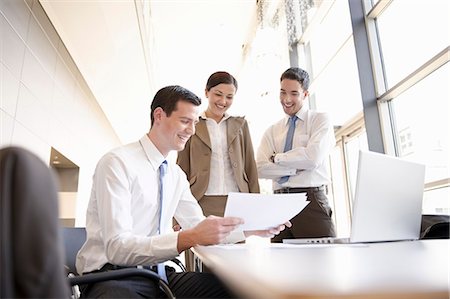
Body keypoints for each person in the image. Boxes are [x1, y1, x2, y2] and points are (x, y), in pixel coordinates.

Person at [76, 85, 288, 298]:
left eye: (195, 123)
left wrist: (252, 230)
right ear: (159, 115)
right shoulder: (117, 163)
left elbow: (199, 226)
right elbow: (118, 248)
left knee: (238, 289)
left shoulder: (175, 175)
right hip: (112, 276)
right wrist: (188, 237)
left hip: (157, 275)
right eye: (185, 121)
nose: (192, 131)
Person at [256, 67, 336, 242]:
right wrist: (295, 168)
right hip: (278, 204)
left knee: (322, 259)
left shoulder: (319, 120)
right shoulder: (272, 130)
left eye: (294, 93)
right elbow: (260, 169)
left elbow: (312, 158)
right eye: (283, 92)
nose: (287, 99)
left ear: (305, 94)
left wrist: (277, 158)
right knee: (280, 264)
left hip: (310, 199)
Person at [177, 71, 260, 218]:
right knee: (202, 241)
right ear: (206, 92)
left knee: (238, 240)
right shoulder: (192, 123)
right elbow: (182, 168)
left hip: (237, 200)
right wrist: (177, 217)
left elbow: (250, 166)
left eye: (229, 97)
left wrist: (256, 204)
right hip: (201, 199)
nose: (223, 101)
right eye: (218, 94)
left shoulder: (240, 125)